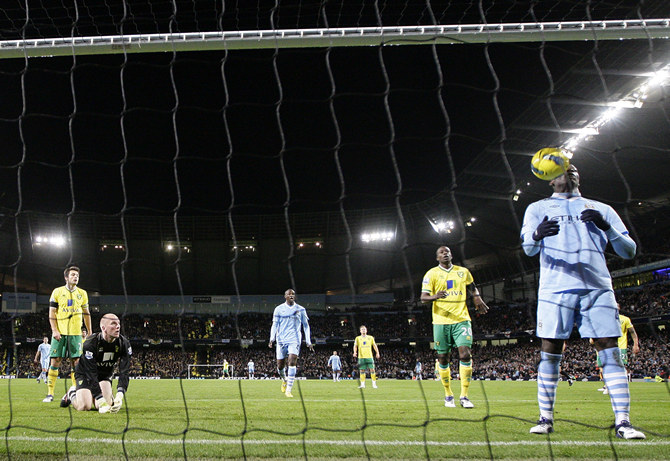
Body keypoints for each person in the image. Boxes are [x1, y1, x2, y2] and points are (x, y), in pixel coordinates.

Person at [521, 163, 644, 439]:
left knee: (609, 348)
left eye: (573, 167)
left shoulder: (601, 208)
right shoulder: (537, 209)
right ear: (549, 180)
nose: (570, 170)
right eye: (563, 169)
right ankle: (545, 418)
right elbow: (528, 248)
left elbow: (629, 251)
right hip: (555, 289)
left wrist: (607, 227)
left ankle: (623, 422)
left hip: (597, 287)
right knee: (550, 349)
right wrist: (537, 235)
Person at [420, 246, 489, 408]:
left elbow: (472, 287)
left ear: (451, 255)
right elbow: (423, 298)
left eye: (447, 252)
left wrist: (477, 298)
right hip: (440, 322)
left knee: (465, 354)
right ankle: (448, 394)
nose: (445, 254)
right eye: (441, 253)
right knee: (443, 357)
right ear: (437, 257)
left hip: (461, 319)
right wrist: (435, 296)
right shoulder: (431, 274)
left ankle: (464, 396)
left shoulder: (463, 272)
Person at [60, 313, 131, 413]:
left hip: (104, 376)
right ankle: (72, 393)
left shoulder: (124, 343)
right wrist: (100, 398)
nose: (118, 326)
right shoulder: (90, 343)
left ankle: (107, 396)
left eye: (118, 323)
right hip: (85, 374)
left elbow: (125, 371)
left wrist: (120, 394)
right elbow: (91, 373)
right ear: (103, 328)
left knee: (102, 406)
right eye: (113, 324)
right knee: (85, 406)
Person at [44, 265, 92, 403]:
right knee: (55, 361)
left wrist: (89, 332)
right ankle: (50, 393)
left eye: (77, 275)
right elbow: (52, 313)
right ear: (66, 277)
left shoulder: (82, 293)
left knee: (76, 363)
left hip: (76, 334)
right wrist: (54, 330)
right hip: (60, 333)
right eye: (72, 275)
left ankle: (76, 391)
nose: (75, 277)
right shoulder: (57, 292)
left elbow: (86, 314)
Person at [269, 289, 313, 398]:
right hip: (281, 340)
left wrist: (308, 341)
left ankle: (289, 390)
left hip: (294, 339)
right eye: (289, 294)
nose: (291, 295)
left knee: (292, 361)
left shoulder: (301, 309)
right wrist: (271, 338)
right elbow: (274, 325)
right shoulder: (278, 309)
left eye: (293, 294)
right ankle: (284, 380)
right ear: (285, 296)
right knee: (280, 366)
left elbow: (306, 326)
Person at [597, 304, 640, 394]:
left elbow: (632, 332)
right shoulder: (605, 319)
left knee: (618, 367)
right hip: (607, 346)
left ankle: (617, 387)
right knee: (604, 367)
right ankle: (608, 386)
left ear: (619, 308)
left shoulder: (625, 319)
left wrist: (635, 344)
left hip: (621, 347)